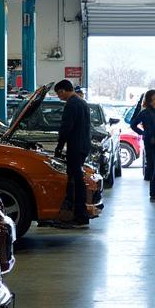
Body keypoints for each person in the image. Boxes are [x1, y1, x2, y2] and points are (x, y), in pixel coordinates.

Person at [54, 79, 92, 228]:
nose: (59, 97)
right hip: (83, 145)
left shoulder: (71, 104)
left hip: (76, 146)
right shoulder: (82, 102)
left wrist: (59, 146)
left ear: (63, 90)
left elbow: (66, 127)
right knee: (77, 179)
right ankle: (77, 213)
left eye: (58, 94)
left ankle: (80, 215)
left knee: (76, 181)